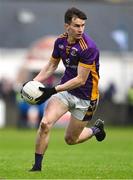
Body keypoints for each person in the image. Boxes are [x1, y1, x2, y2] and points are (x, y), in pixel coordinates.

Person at [22, 7, 106, 171]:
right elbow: (51, 66)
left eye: (83, 25)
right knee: (45, 124)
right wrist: (32, 83)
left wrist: (51, 90)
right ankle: (37, 167)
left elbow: (81, 80)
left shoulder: (89, 47)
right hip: (65, 91)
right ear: (66, 26)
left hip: (86, 98)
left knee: (71, 139)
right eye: (76, 25)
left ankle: (96, 130)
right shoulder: (60, 42)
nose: (80, 29)